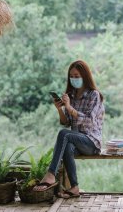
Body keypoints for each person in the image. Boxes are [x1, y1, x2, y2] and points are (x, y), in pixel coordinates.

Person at [33, 60, 105, 199]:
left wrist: (70, 108)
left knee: (64, 135)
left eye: (77, 76)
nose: (74, 79)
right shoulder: (71, 95)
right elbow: (65, 123)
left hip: (91, 143)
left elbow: (90, 121)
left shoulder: (94, 95)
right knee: (67, 145)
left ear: (85, 76)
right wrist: (60, 108)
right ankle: (75, 187)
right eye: (71, 76)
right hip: (76, 140)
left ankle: (51, 174)